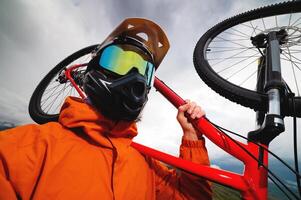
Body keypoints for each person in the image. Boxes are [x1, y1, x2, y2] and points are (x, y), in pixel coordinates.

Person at [0, 18, 212, 200]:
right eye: (119, 61)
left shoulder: (147, 165)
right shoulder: (27, 148)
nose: (134, 77)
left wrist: (192, 138)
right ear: (94, 68)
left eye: (144, 71)